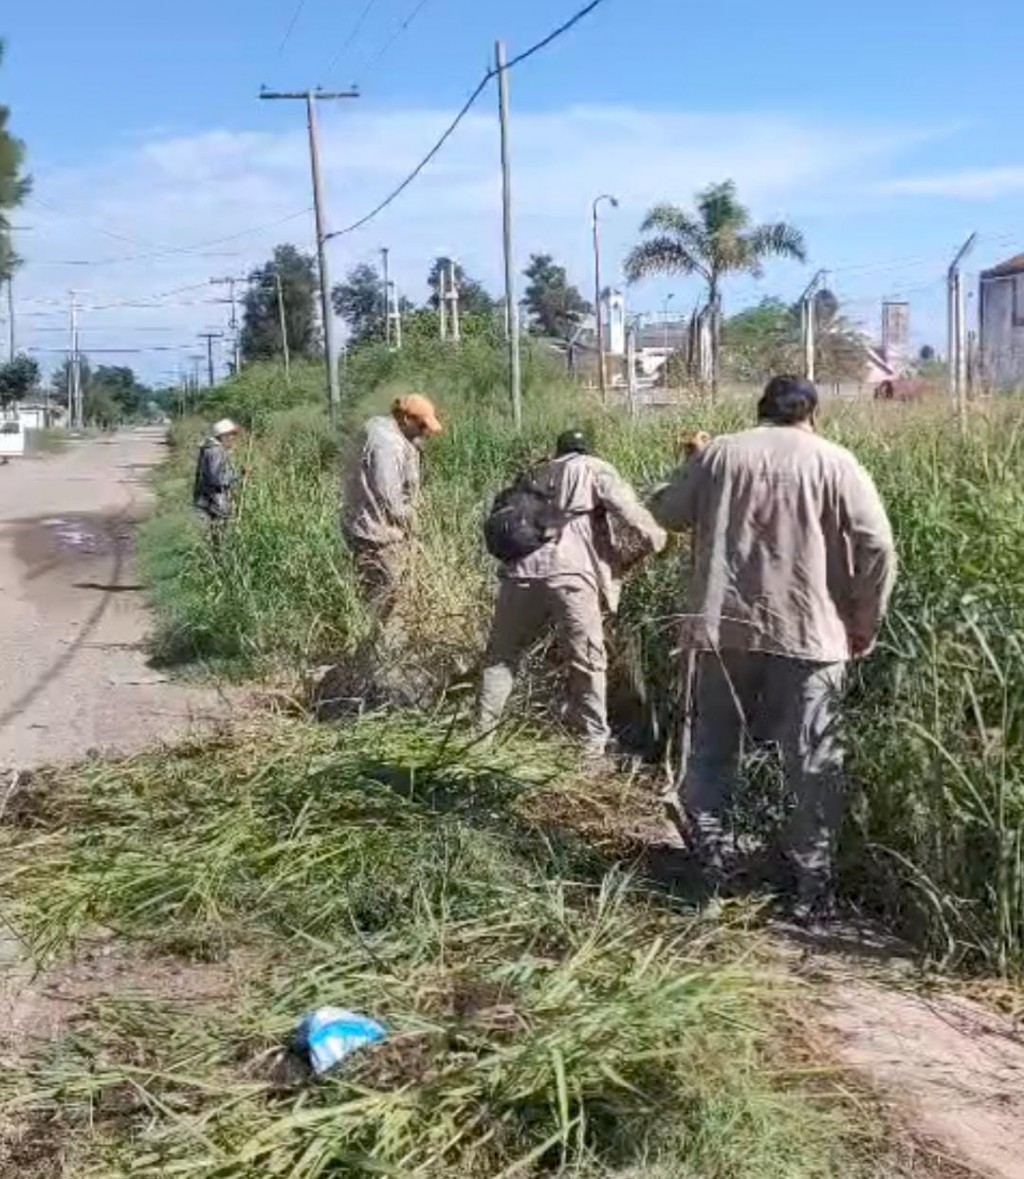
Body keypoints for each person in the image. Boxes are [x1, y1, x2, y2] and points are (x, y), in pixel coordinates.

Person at [650, 376, 897, 916]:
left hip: (723, 629)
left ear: (759, 409)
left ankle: (711, 870)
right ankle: (812, 891)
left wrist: (690, 462)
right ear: (813, 414)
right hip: (811, 633)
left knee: (712, 750)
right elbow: (876, 542)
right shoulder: (835, 462)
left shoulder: (719, 455)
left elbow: (667, 513)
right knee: (812, 762)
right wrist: (864, 619)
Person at [478, 428, 667, 760]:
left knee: (501, 658)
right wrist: (657, 538)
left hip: (518, 574)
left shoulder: (534, 474)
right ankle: (592, 746)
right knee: (587, 661)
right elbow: (628, 510)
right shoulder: (593, 467)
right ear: (586, 449)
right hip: (569, 575)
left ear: (558, 450)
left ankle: (481, 740)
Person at [341, 394, 443, 618]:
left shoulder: (391, 433)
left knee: (389, 598)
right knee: (389, 602)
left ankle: (381, 646)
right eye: (422, 425)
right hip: (376, 536)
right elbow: (390, 498)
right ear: (406, 419)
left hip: (378, 530)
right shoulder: (386, 444)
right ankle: (381, 650)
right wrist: (418, 522)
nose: (425, 432)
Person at [193, 418, 242, 542]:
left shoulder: (209, 448)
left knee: (214, 534)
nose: (233, 438)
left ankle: (216, 556)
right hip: (214, 500)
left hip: (206, 498)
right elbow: (216, 479)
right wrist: (239, 475)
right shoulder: (216, 451)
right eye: (231, 435)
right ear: (223, 436)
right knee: (220, 535)